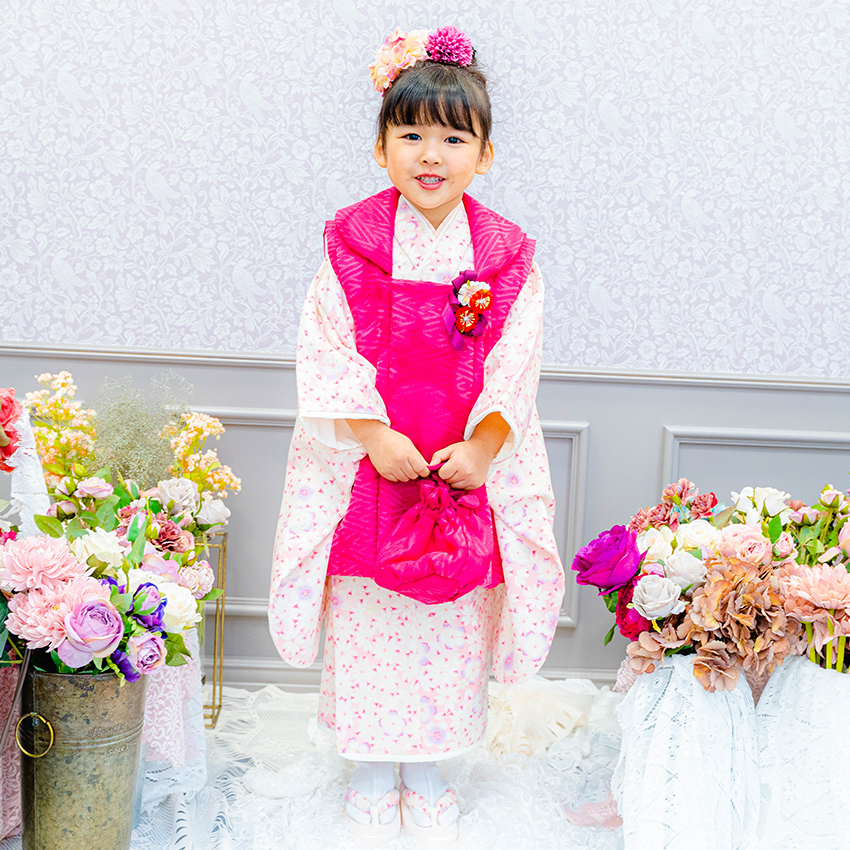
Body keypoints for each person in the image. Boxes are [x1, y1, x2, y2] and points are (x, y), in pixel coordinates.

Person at [268, 26, 564, 846]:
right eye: (411, 135)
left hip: (461, 458)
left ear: (485, 154)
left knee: (448, 620)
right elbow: (326, 348)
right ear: (381, 148)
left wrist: (483, 449)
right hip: (374, 463)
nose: (431, 155)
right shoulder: (352, 246)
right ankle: (370, 767)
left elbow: (516, 363)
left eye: (453, 138)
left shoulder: (506, 256)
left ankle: (430, 766)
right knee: (369, 612)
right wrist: (371, 434)